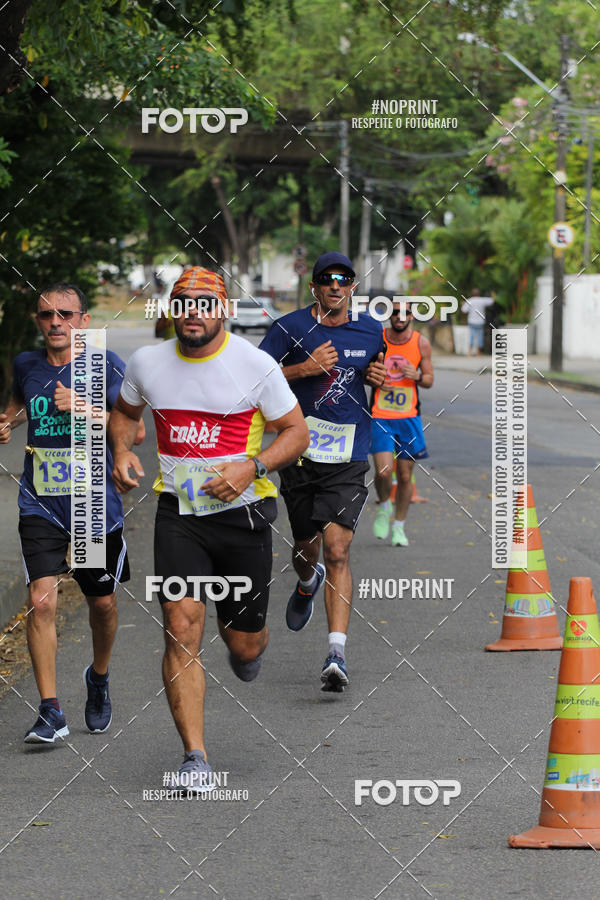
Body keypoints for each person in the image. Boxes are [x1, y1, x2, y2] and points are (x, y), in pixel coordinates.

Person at [108, 266, 307, 791]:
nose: (192, 311)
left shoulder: (255, 364)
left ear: (222, 309)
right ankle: (195, 757)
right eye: (182, 302)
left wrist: (255, 466)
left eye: (203, 302)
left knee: (243, 646)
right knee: (180, 626)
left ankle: (247, 649)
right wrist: (124, 449)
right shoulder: (148, 362)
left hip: (244, 517)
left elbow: (297, 433)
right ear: (171, 309)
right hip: (179, 517)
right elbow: (125, 414)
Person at [0, 283, 143, 744]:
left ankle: (98, 676)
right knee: (41, 602)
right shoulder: (26, 363)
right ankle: (51, 710)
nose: (55, 322)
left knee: (101, 604)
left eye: (65, 313)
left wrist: (82, 408)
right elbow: (21, 402)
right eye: (46, 315)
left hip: (91, 503)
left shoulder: (104, 365)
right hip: (40, 499)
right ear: (38, 321)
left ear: (83, 321)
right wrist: (7, 421)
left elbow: (135, 430)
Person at [259, 252, 386, 692]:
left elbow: (374, 372)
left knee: (337, 549)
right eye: (327, 279)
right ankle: (307, 582)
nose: (336, 285)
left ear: (352, 287)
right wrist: (303, 369)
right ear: (314, 287)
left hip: (349, 454)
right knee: (306, 548)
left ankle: (337, 653)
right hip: (299, 453)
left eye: (344, 279)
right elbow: (254, 380)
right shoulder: (289, 329)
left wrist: (377, 376)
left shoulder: (370, 330)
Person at [370, 300, 434, 546]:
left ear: (411, 316)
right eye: (395, 312)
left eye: (404, 312)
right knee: (384, 471)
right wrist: (375, 379)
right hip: (380, 415)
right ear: (389, 316)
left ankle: (399, 527)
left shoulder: (420, 342)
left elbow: (429, 379)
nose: (399, 316)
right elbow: (363, 372)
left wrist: (416, 375)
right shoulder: (378, 340)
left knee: (405, 477)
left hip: (409, 419)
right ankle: (385, 506)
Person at [461, 287, 494, 356]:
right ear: (479, 294)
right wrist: (493, 294)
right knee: (480, 337)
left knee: (471, 336)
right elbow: (492, 301)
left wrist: (463, 304)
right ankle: (478, 353)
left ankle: (470, 352)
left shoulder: (470, 300)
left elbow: (463, 310)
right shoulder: (482, 300)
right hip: (480, 322)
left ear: (472, 294)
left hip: (471, 321)